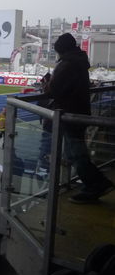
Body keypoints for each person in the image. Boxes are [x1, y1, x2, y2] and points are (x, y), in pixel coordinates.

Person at [44, 32, 114, 203]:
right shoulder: (79, 62)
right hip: (78, 112)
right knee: (75, 153)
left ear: (60, 49)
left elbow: (54, 91)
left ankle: (96, 184)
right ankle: (95, 184)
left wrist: (46, 84)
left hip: (70, 114)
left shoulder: (67, 64)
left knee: (77, 154)